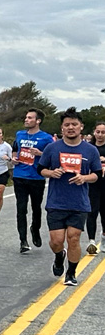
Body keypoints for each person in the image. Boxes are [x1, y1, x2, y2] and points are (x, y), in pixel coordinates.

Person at [37, 109, 103, 288]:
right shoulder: (52, 148)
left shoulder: (90, 150)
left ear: (81, 127)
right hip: (56, 201)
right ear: (62, 128)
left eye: (74, 124)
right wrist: (51, 172)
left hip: (79, 202)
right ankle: (59, 256)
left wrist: (84, 178)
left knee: (74, 238)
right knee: (57, 241)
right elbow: (40, 169)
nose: (71, 127)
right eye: (67, 125)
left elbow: (97, 174)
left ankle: (71, 273)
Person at [12, 108, 53, 255]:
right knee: (21, 209)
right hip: (20, 176)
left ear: (38, 121)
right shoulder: (19, 134)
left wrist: (40, 154)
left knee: (36, 207)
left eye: (30, 118)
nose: (26, 120)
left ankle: (35, 229)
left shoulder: (46, 138)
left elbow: (52, 157)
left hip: (36, 177)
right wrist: (13, 159)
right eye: (26, 117)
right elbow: (15, 149)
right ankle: (23, 240)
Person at [89, 121, 105, 256]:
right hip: (92, 185)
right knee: (91, 212)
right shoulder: (89, 148)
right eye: (98, 132)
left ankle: (104, 238)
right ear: (94, 132)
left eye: (103, 132)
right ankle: (91, 241)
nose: (100, 135)